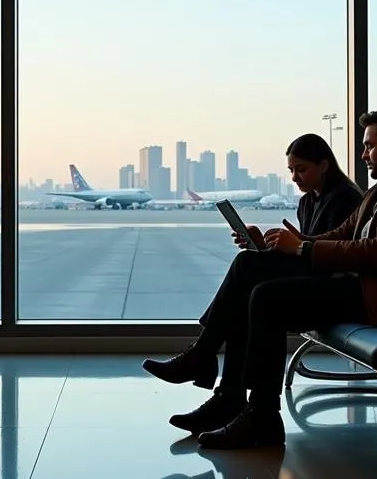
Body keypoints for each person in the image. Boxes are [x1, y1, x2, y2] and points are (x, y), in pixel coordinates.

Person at [147, 105, 377, 449]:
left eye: (369, 146)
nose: (363, 155)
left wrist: (302, 249)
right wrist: (295, 245)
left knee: (266, 297)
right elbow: (343, 233)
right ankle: (224, 387)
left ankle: (254, 410)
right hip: (368, 290)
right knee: (249, 267)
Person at [144, 132, 363, 389]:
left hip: (331, 290)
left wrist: (286, 250)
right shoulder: (307, 202)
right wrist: (263, 247)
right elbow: (306, 253)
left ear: (324, 166)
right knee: (247, 270)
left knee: (246, 270)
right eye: (291, 170)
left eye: (301, 170)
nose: (294, 178)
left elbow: (325, 257)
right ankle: (218, 382)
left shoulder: (345, 198)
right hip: (313, 279)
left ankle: (209, 367)